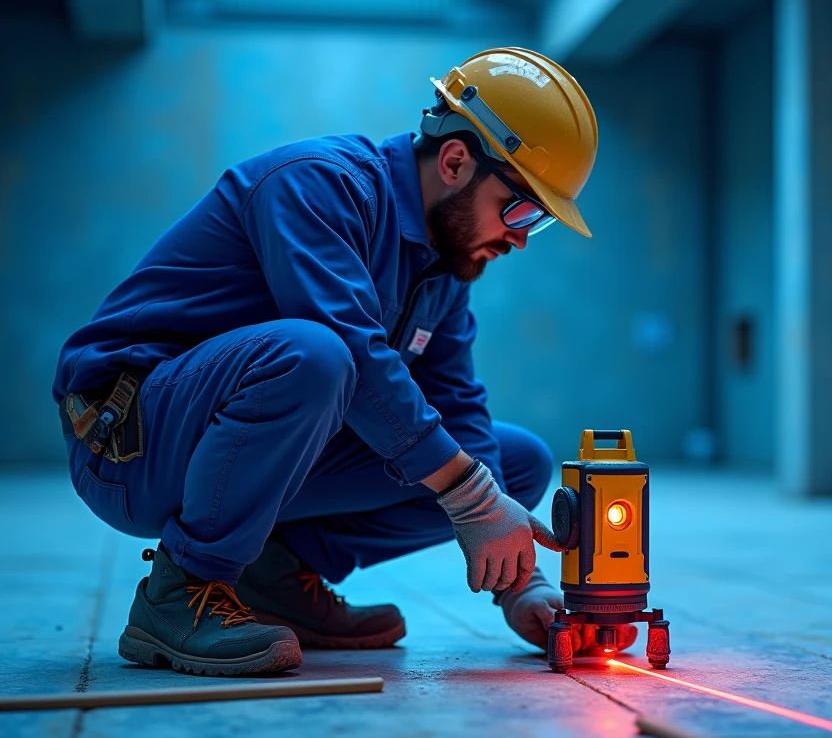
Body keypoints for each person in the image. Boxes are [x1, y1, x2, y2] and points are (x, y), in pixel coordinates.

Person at [53, 46, 629, 677]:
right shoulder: (316, 184)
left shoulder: (442, 268)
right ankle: (179, 592)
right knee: (316, 356)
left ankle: (274, 572)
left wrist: (520, 582)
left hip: (235, 434)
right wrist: (468, 496)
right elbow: (349, 345)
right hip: (130, 441)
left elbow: (457, 405)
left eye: (538, 223)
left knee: (513, 463)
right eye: (521, 210)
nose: (520, 236)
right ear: (457, 160)